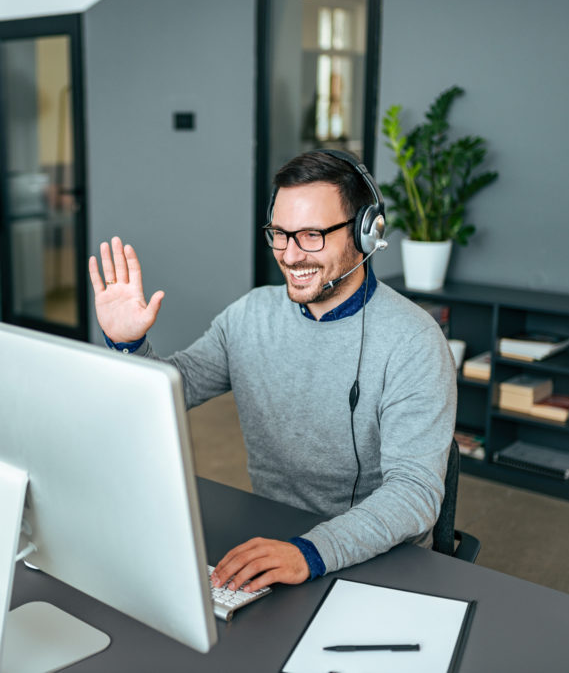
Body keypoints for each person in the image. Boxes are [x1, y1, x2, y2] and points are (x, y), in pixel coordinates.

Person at [88, 150, 456, 594]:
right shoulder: (250, 316)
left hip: (377, 556)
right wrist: (128, 344)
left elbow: (414, 494)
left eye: (312, 235)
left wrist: (310, 552)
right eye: (280, 234)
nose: (291, 254)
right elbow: (171, 389)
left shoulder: (413, 341)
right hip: (271, 536)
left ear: (365, 233)